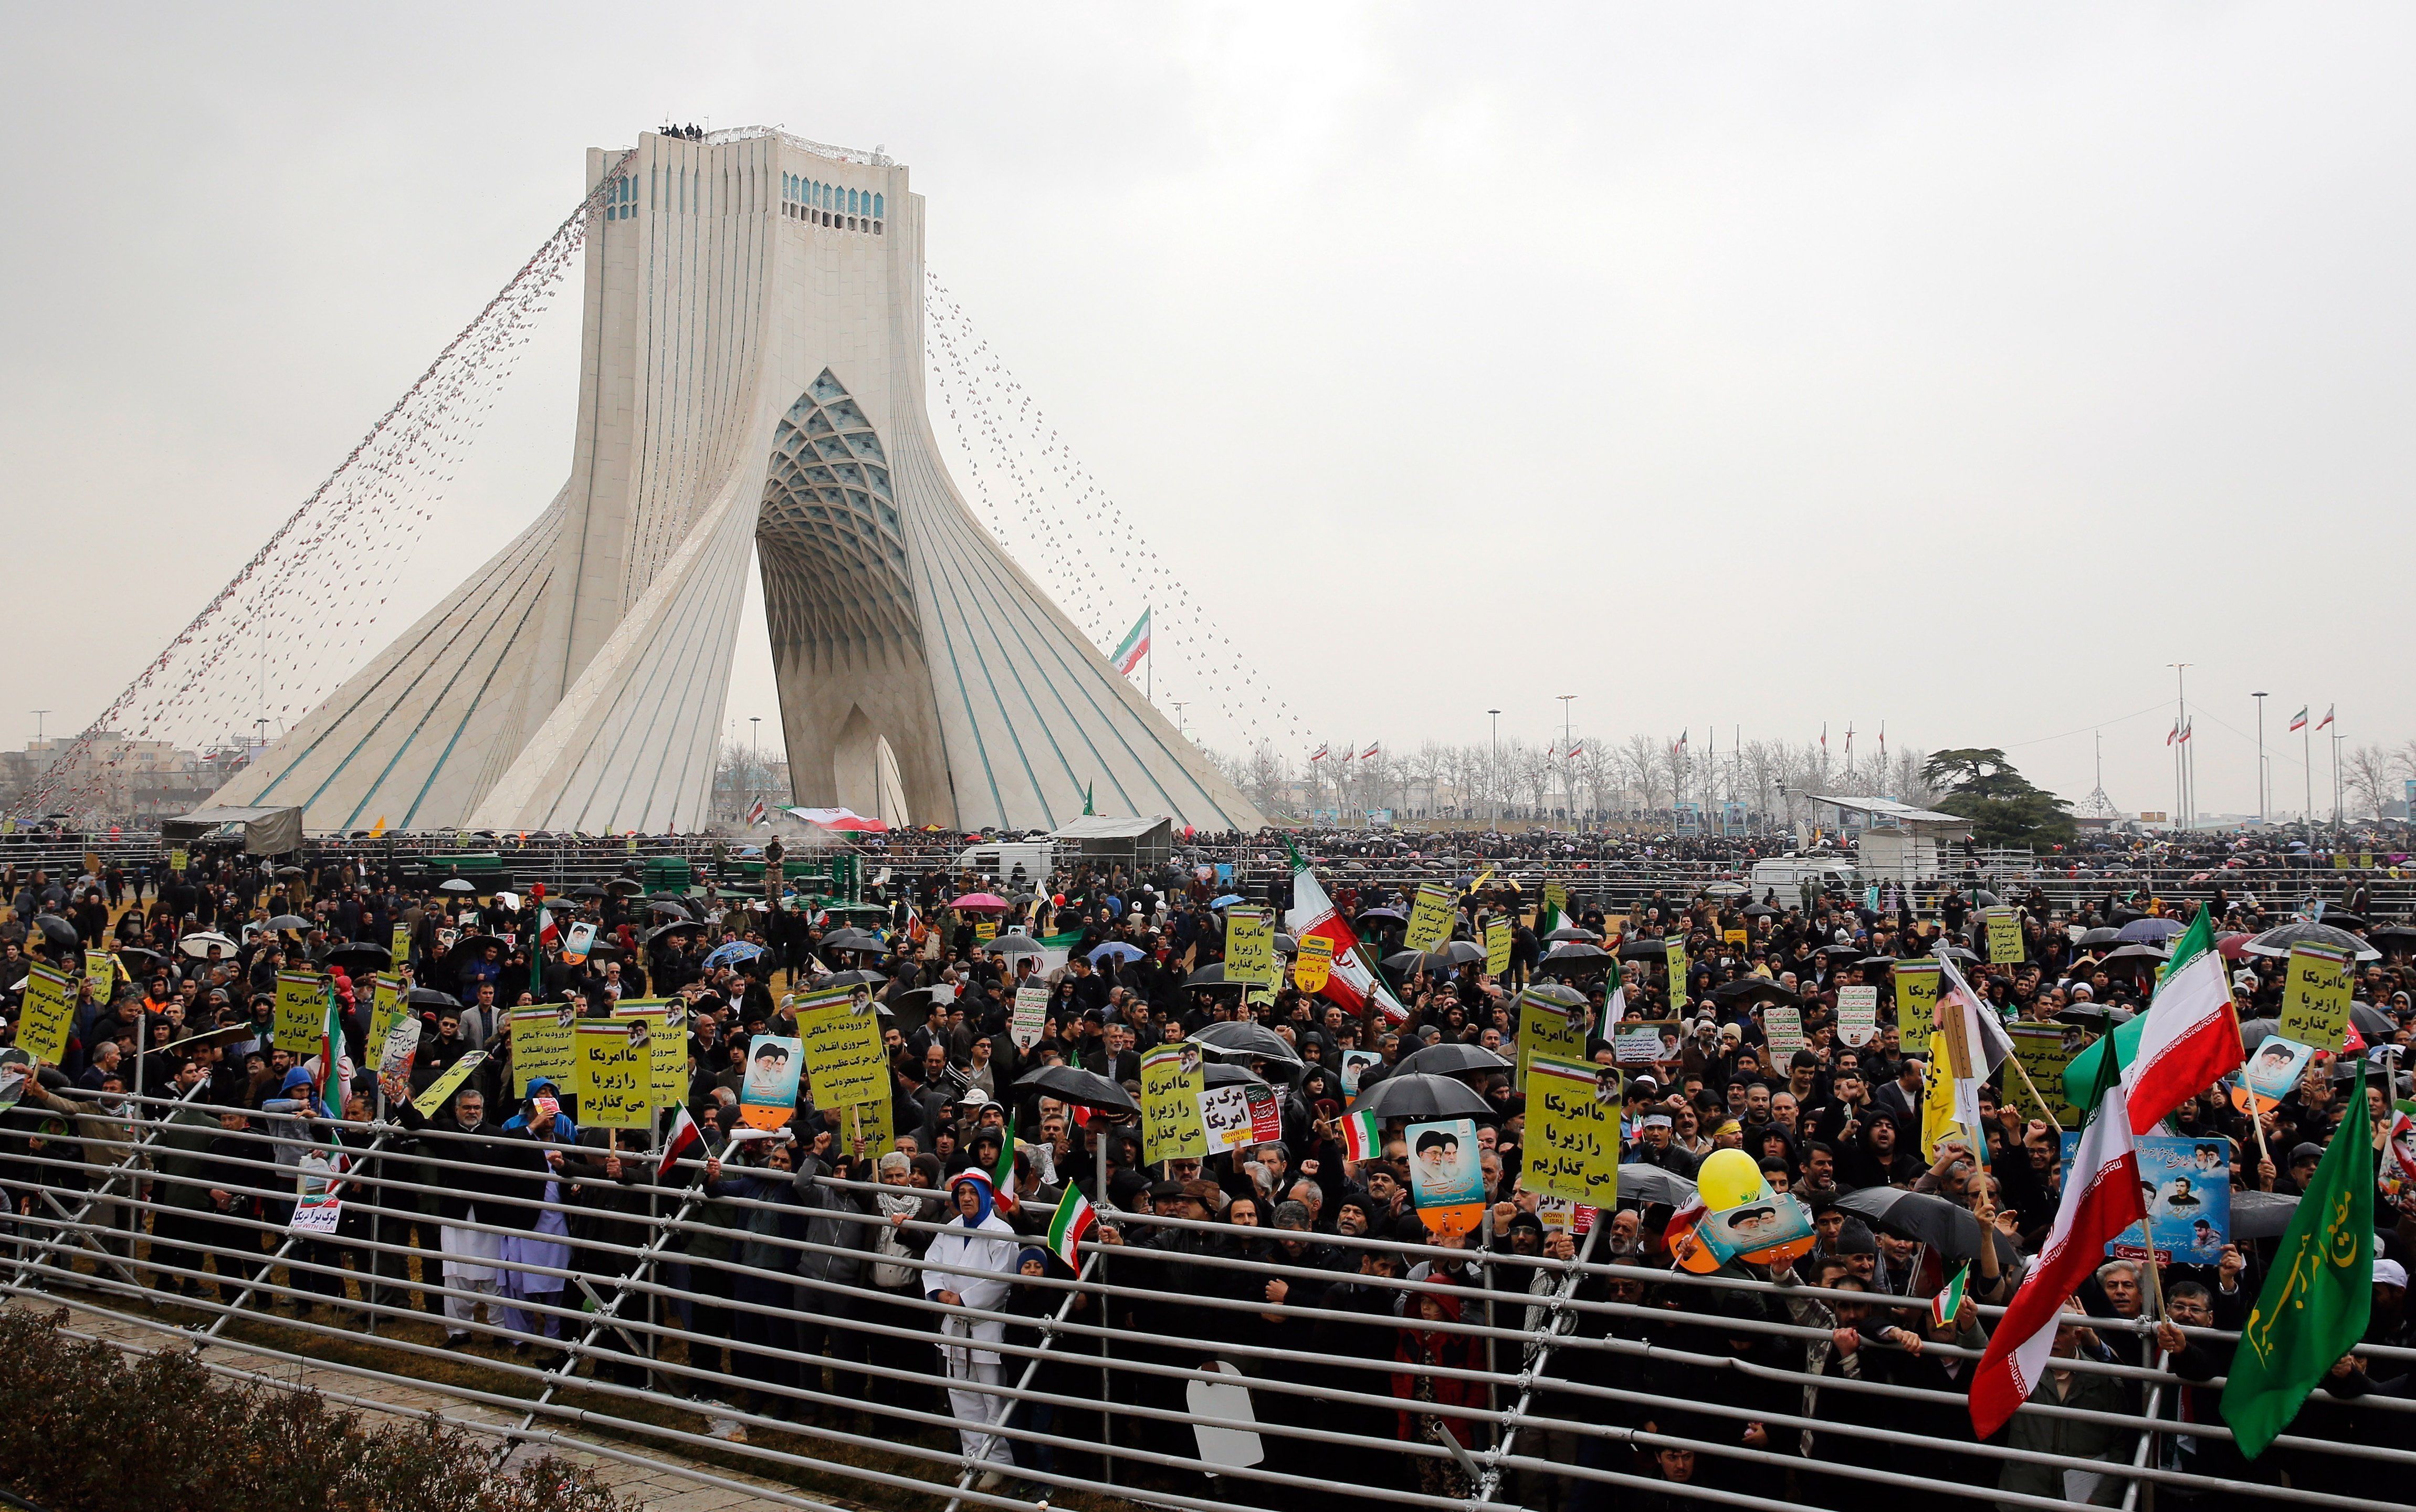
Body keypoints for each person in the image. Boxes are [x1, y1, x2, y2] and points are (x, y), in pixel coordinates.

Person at [923, 1167, 1020, 1485]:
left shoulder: (1002, 1234)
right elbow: (931, 1265)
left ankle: (998, 1463)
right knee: (961, 1395)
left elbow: (1000, 1282)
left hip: (985, 1325)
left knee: (992, 1397)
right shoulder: (949, 1229)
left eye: (971, 1193)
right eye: (961, 1193)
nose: (966, 1199)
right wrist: (940, 1294)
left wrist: (964, 1300)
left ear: (985, 1197)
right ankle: (973, 1459)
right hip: (954, 1324)